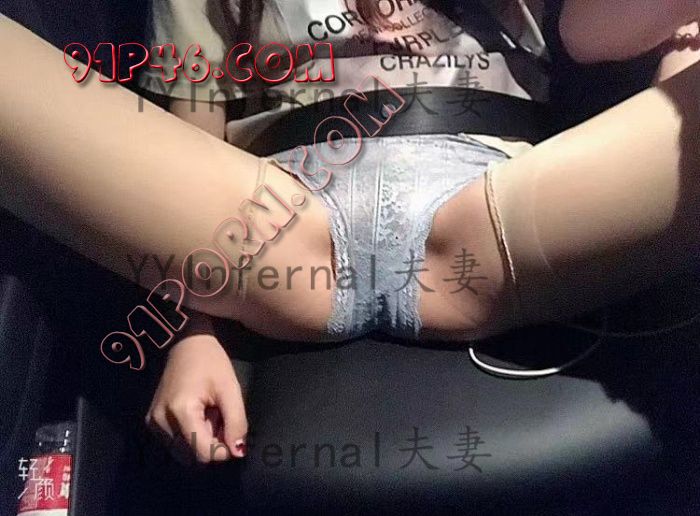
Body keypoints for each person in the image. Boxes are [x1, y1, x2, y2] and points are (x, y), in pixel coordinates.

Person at [0, 0, 698, 464]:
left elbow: (602, 34)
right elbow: (189, 141)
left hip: (492, 210)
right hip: (277, 222)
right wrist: (192, 335)